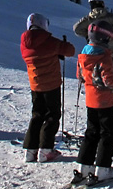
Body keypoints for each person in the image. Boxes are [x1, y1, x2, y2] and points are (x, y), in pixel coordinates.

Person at [71, 20, 113, 185]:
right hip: (105, 101)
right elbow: (108, 80)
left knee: (92, 132)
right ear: (105, 38)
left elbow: (80, 76)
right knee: (108, 133)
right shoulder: (104, 56)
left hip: (90, 99)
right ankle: (103, 169)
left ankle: (84, 167)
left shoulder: (83, 54)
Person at [20, 12, 76, 163]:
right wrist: (58, 50)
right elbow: (70, 50)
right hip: (51, 84)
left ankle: (30, 150)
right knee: (52, 115)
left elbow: (38, 53)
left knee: (37, 115)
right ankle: (45, 150)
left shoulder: (24, 42)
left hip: (35, 84)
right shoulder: (49, 40)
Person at [73, 0, 113, 71]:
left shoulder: (88, 20)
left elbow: (77, 29)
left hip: (94, 52)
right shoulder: (111, 18)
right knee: (111, 76)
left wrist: (90, 35)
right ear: (102, 4)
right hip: (112, 52)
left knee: (93, 76)